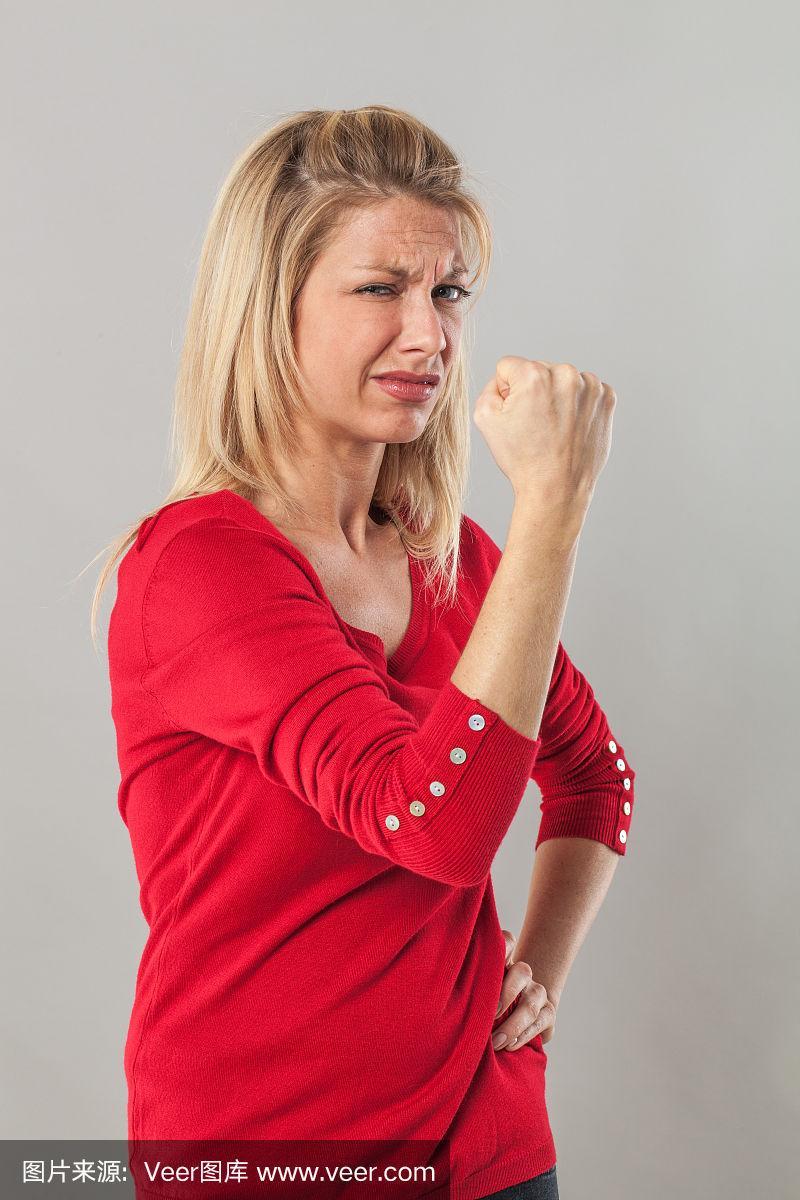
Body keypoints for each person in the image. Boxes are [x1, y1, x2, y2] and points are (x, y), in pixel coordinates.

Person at [92, 106, 636, 1200]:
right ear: (269, 306)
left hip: (485, 1148)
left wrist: (535, 974)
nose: (430, 336)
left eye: (445, 294)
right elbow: (428, 823)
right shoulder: (199, 566)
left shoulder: (459, 567)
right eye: (380, 289)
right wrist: (552, 511)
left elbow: (594, 777)